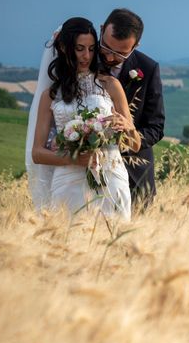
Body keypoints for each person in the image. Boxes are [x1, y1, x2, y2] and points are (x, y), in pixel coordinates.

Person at [25, 17, 141, 219]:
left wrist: (127, 127)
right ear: (63, 48)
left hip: (110, 178)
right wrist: (75, 158)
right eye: (79, 49)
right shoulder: (51, 96)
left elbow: (135, 144)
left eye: (91, 48)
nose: (86, 56)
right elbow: (37, 153)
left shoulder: (111, 85)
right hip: (68, 183)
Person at [98, 8, 165, 208]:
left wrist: (130, 137)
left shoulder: (148, 68)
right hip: (86, 167)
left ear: (135, 46)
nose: (110, 58)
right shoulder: (84, 58)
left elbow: (156, 126)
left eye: (120, 54)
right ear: (102, 30)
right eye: (107, 48)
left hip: (135, 172)